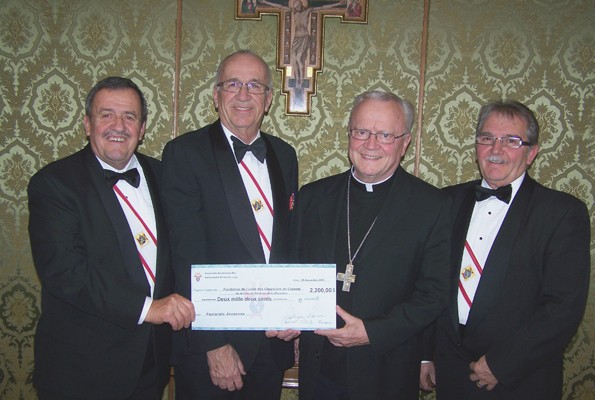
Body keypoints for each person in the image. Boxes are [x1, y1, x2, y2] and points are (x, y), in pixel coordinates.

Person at [28, 76, 196, 400]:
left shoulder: (165, 176)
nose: (118, 126)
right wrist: (149, 309)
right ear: (87, 124)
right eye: (106, 115)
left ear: (142, 128)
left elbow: (186, 250)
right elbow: (66, 273)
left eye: (129, 117)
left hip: (150, 365)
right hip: (81, 372)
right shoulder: (54, 184)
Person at [420, 101, 591, 400]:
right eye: (487, 138)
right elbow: (427, 282)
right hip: (450, 372)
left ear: (531, 152)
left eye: (511, 141)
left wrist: (502, 364)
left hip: (519, 379)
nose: (495, 149)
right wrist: (426, 354)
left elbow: (563, 307)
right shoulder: (446, 201)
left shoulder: (562, 213)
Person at [293, 90, 451, 400]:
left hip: (386, 370)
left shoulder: (432, 206)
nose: (371, 144)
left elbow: (434, 294)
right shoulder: (313, 197)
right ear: (349, 135)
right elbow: (293, 270)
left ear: (405, 143)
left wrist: (372, 332)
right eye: (362, 132)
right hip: (319, 369)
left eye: (385, 135)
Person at [161, 50, 299, 400]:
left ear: (269, 99)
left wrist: (293, 315)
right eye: (233, 84)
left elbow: (286, 245)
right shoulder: (185, 153)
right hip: (214, 349)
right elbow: (184, 255)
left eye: (254, 86)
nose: (243, 95)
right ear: (215, 94)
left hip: (270, 344)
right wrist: (213, 343)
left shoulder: (285, 155)